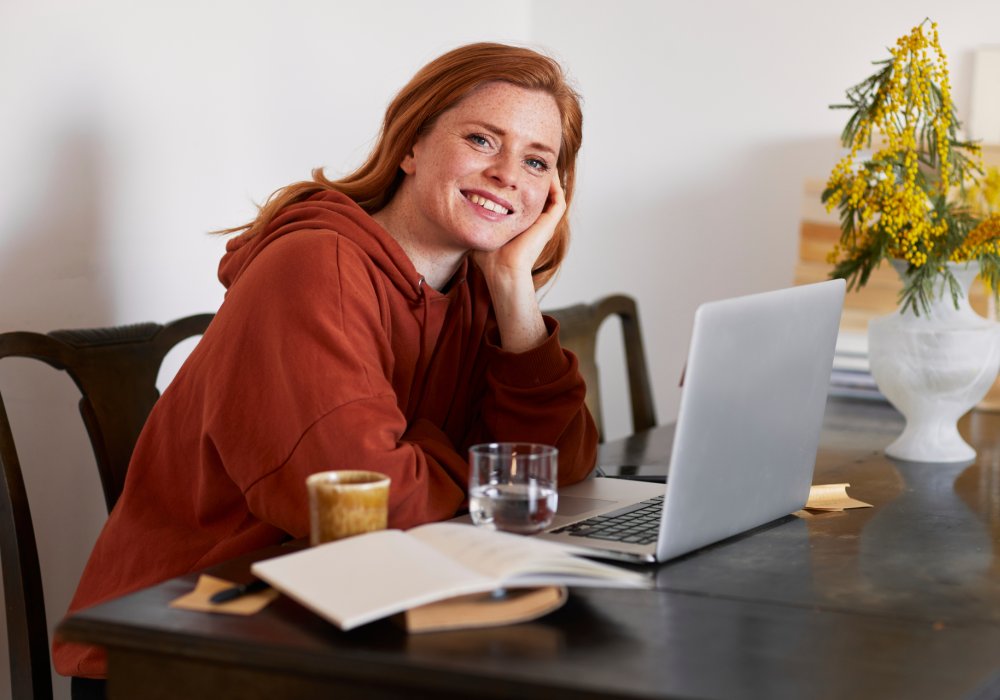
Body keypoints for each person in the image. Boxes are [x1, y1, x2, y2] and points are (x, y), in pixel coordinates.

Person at [54, 41, 598, 691]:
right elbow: (369, 511)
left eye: (537, 161)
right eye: (483, 140)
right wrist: (476, 464)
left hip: (350, 620)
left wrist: (514, 293)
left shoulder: (480, 290)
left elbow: (556, 472)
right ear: (411, 146)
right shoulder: (313, 266)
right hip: (186, 644)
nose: (510, 173)